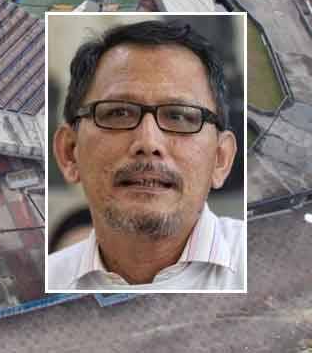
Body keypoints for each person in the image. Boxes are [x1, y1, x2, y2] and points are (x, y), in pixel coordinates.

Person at [46, 19, 242, 291]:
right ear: (69, 152)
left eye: (179, 116)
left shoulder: (266, 261)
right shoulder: (48, 281)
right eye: (118, 113)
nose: (148, 142)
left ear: (221, 159)